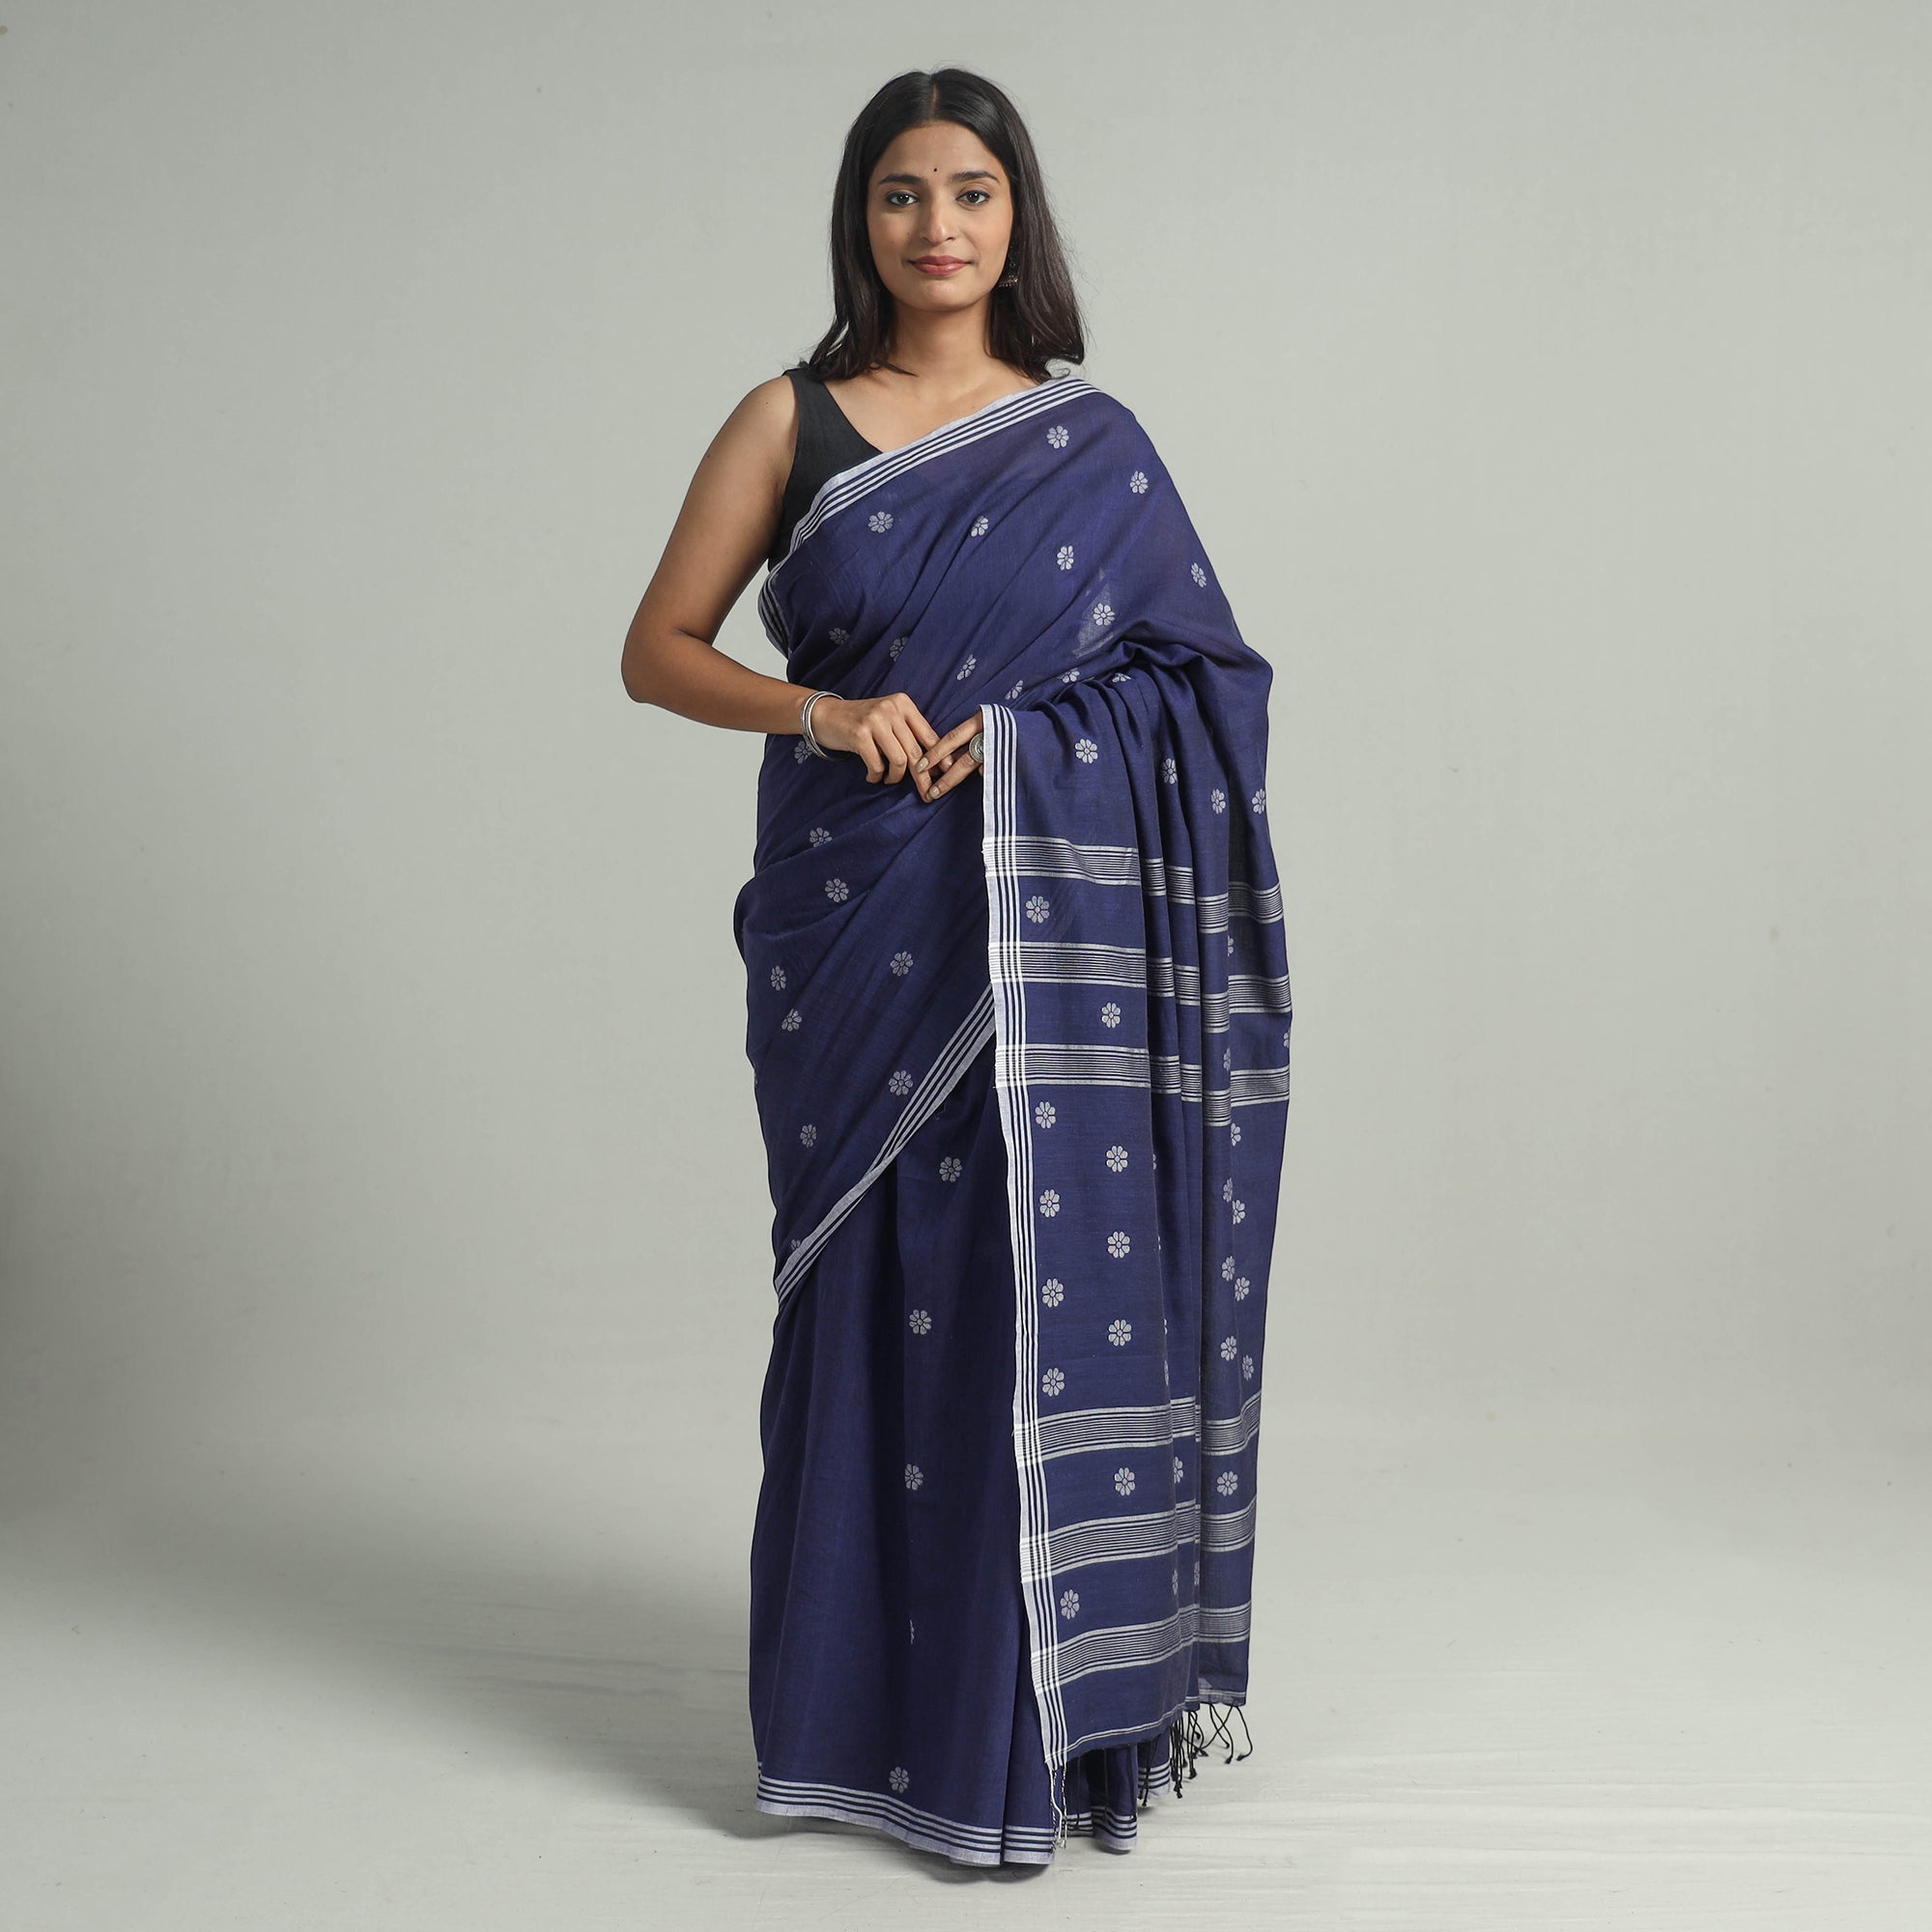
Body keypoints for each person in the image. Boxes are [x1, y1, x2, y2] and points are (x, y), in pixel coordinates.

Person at [620, 66, 1294, 1868]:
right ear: (863, 216)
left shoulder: (1094, 443)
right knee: (858, 1293)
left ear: (1017, 218)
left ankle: (1017, 1740)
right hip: (855, 932)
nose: (939, 227)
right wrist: (825, 713)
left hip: (1039, 936)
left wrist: (1037, 748)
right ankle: (848, 1731)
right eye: (905, 193)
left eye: (973, 193)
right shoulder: (790, 419)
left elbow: (1204, 684)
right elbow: (658, 649)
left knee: (1018, 1293)